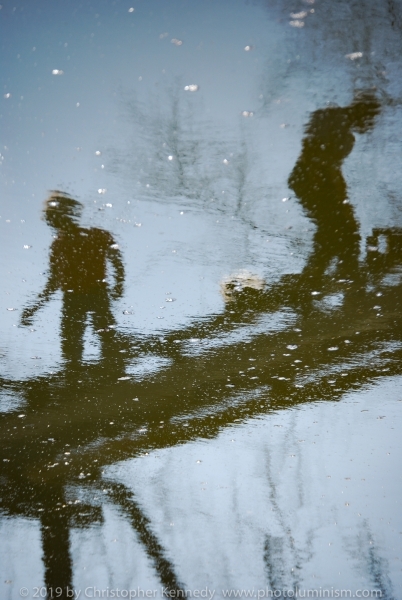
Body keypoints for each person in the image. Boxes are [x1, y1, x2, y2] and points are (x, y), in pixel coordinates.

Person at [21, 192, 125, 366]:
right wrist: (35, 307)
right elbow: (55, 280)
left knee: (93, 341)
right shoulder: (60, 245)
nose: (50, 222)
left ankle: (109, 373)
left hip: (92, 295)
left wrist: (119, 284)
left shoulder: (90, 237)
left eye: (52, 217)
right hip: (77, 297)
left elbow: (116, 261)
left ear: (64, 216)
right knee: (75, 344)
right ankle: (86, 372)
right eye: (50, 218)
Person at [288, 91, 381, 280]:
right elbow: (314, 153)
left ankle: (325, 274)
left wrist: (343, 199)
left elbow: (333, 169)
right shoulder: (332, 117)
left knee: (337, 228)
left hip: (316, 180)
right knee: (339, 228)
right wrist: (338, 198)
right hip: (310, 178)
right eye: (370, 117)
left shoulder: (347, 137)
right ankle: (339, 273)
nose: (370, 124)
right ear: (362, 110)